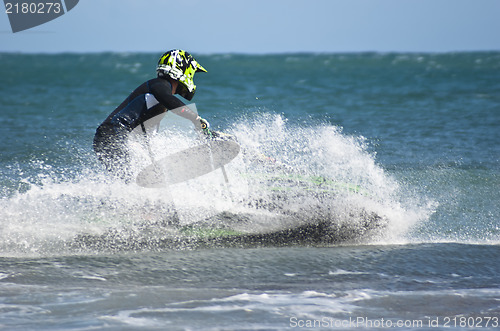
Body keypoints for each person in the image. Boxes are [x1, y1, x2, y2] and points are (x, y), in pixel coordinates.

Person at [93, 49, 210, 180]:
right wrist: (195, 119)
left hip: (109, 137)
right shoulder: (158, 85)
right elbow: (168, 99)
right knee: (131, 180)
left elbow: (144, 137)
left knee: (131, 179)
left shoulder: (157, 101)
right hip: (113, 135)